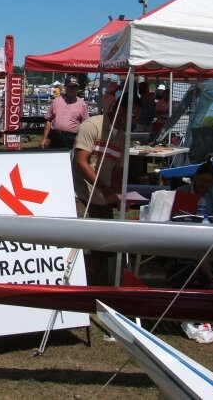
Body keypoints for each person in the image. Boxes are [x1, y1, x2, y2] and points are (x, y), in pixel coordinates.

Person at [71, 94, 141, 285]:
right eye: (133, 116)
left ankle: (92, 290)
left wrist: (118, 197)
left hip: (102, 199)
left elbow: (118, 170)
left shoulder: (122, 138)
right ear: (121, 110)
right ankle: (80, 291)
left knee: (101, 251)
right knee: (84, 252)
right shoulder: (92, 125)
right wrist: (106, 190)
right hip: (82, 196)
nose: (135, 121)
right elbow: (81, 162)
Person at [176, 160, 213, 287]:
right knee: (197, 245)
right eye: (202, 180)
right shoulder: (181, 192)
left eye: (209, 181)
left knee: (206, 246)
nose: (205, 184)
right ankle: (211, 280)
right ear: (195, 178)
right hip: (185, 235)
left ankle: (197, 275)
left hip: (210, 234)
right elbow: (174, 217)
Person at [40, 76, 89, 150]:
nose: (72, 89)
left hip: (73, 139)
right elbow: (49, 120)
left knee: (70, 157)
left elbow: (86, 123)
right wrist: (44, 138)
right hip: (55, 137)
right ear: (65, 87)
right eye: (70, 86)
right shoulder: (56, 101)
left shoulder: (82, 104)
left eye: (75, 86)